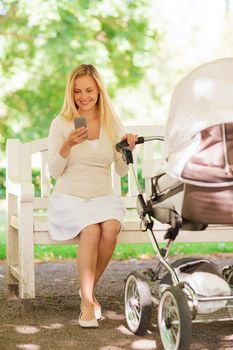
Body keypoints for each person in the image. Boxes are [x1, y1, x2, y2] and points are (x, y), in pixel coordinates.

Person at [47, 64, 138, 328]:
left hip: (101, 196)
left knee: (110, 227)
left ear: (99, 90)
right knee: (90, 230)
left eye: (88, 90)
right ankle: (88, 302)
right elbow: (54, 172)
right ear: (70, 93)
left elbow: (121, 171)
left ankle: (87, 290)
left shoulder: (111, 123)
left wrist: (127, 148)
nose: (83, 97)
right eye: (77, 91)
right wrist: (68, 144)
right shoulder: (61, 123)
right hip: (70, 197)